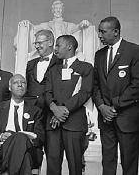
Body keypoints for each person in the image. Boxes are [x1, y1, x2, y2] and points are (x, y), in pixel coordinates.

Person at [93, 16, 139, 175]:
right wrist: (101, 106)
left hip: (126, 117)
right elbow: (95, 84)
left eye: (103, 32)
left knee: (129, 162)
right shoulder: (99, 55)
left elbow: (137, 84)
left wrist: (114, 105)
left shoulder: (134, 51)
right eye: (99, 31)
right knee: (108, 161)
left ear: (116, 31)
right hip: (106, 118)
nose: (99, 35)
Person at [44, 35, 94, 175]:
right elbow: (47, 92)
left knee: (75, 165)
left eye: (58, 45)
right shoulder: (53, 69)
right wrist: (54, 109)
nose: (55, 49)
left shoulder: (86, 68)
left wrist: (63, 110)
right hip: (53, 125)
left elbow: (85, 92)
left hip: (74, 124)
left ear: (70, 47)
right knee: (52, 166)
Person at [14, 0, 99, 76]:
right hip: (49, 52)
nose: (58, 10)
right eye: (56, 8)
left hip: (63, 53)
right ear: (52, 10)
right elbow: (34, 29)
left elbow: (78, 27)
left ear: (63, 10)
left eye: (60, 8)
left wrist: (83, 24)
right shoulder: (45, 25)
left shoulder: (68, 25)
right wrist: (27, 24)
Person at [0, 74, 45, 175]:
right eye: (16, 83)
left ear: (26, 87)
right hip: (3, 152)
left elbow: (41, 136)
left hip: (30, 149)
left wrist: (27, 138)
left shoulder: (36, 110)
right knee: (25, 158)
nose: (20, 85)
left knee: (20, 137)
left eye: (23, 83)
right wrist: (1, 136)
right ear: (9, 87)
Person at [25, 29, 57, 111]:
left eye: (40, 43)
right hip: (31, 109)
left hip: (51, 110)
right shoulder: (30, 64)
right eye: (35, 43)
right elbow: (28, 86)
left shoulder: (60, 62)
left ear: (50, 42)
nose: (37, 46)